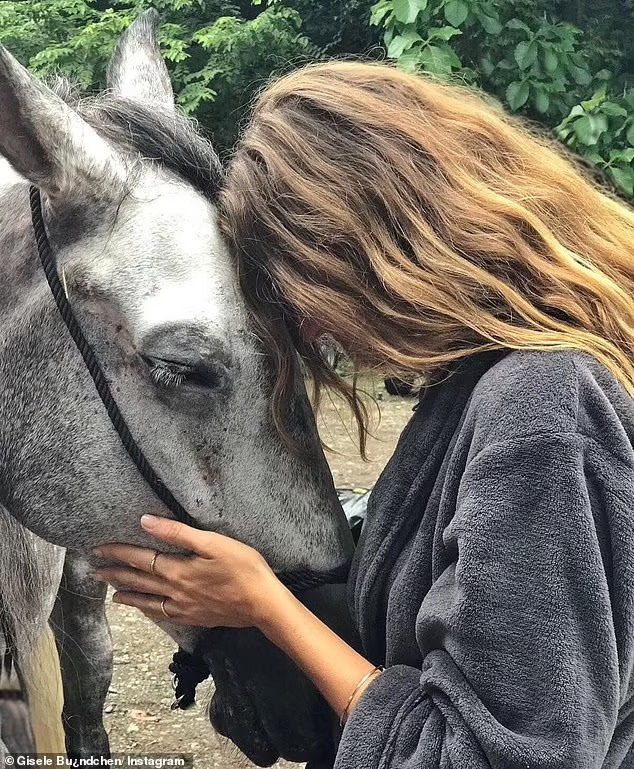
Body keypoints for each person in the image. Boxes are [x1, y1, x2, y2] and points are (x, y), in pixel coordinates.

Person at [93, 61, 634, 768]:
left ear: (364, 244)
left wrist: (266, 604)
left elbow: (493, 755)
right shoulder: (485, 382)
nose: (309, 327)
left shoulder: (541, 408)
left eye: (295, 283)